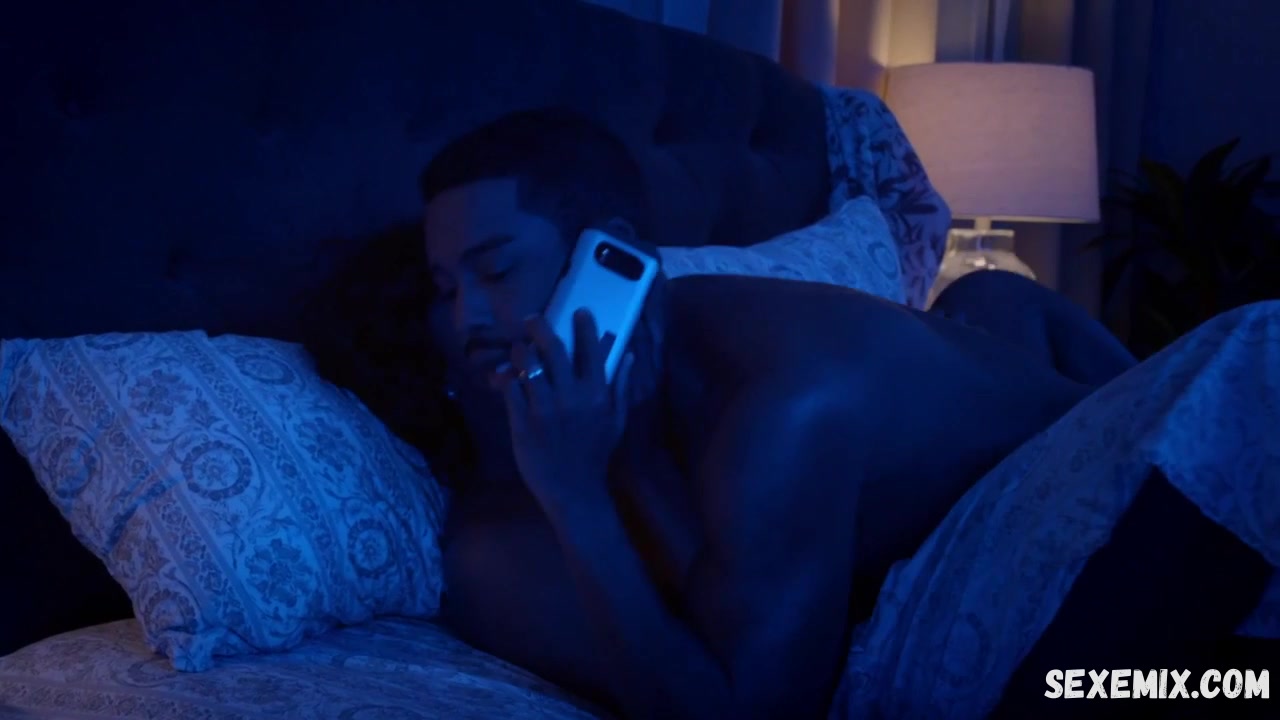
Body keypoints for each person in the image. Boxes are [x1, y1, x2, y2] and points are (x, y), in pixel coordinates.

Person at [311, 107, 1274, 719]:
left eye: (493, 271)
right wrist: (585, 487)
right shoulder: (503, 534)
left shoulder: (778, 409)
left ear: (612, 255)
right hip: (1041, 496)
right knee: (1005, 306)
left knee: (1223, 357)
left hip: (1091, 514)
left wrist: (584, 490)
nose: (469, 318)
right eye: (446, 288)